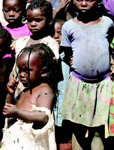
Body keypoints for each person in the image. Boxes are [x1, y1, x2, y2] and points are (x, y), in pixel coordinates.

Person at [60, 0, 114, 149]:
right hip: (79, 85)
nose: (83, 3)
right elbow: (66, 52)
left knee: (99, 129)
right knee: (78, 128)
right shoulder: (69, 26)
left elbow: (110, 46)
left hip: (102, 85)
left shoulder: (107, 23)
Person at [0, 43, 57, 150]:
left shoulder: (45, 91)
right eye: (20, 70)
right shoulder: (24, 91)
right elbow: (9, 110)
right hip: (14, 143)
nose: (22, 74)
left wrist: (18, 112)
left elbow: (43, 116)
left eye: (27, 70)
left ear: (43, 72)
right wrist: (10, 94)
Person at [7, 0, 59, 103]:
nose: (33, 24)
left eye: (38, 20)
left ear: (49, 21)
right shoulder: (21, 42)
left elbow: (52, 70)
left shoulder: (50, 44)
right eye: (29, 20)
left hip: (40, 94)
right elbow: (15, 69)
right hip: (19, 90)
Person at [53, 18, 72, 150]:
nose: (56, 36)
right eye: (53, 33)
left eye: (60, 33)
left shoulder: (70, 56)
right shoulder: (49, 55)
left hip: (66, 103)